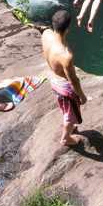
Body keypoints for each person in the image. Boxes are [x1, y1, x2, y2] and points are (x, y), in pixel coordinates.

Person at [42, 10, 87, 146]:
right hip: (65, 88)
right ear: (68, 27)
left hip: (54, 80)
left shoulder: (46, 34)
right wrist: (82, 96)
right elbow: (73, 81)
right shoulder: (66, 56)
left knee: (65, 109)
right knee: (70, 116)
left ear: (53, 24)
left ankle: (70, 126)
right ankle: (66, 138)